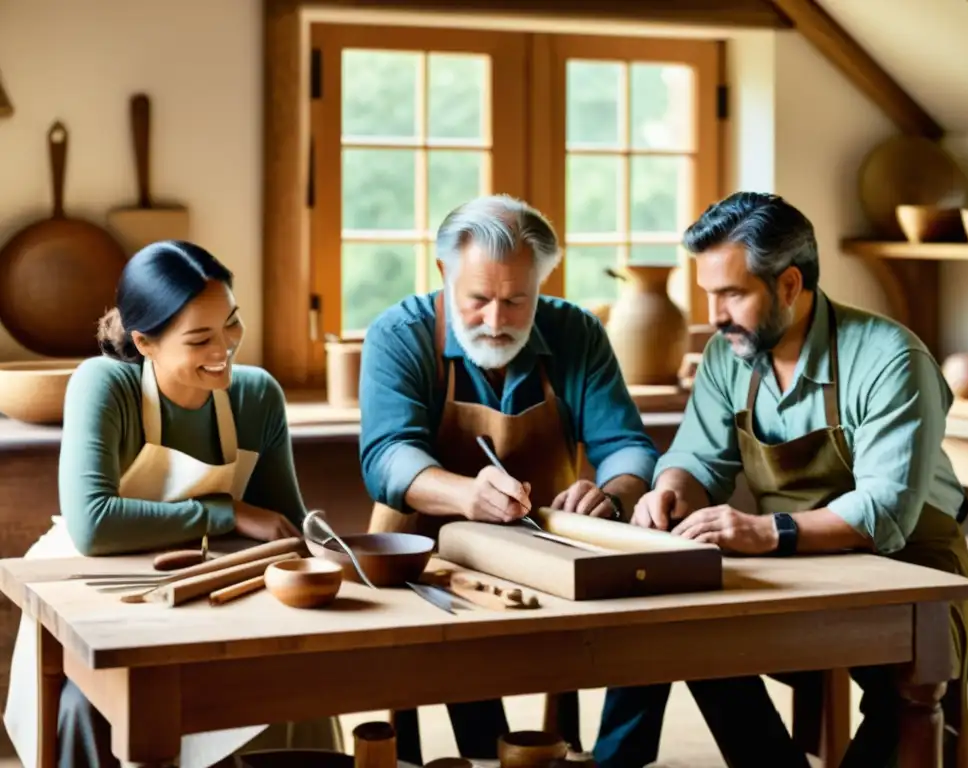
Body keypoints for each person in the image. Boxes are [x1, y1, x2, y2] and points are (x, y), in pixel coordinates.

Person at [591, 192, 968, 768]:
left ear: (790, 285)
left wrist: (765, 531)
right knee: (687, 635)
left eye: (732, 294)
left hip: (913, 564)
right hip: (795, 564)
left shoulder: (891, 358)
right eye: (708, 294)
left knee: (909, 695)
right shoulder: (728, 356)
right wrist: (668, 490)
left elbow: (885, 512)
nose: (715, 315)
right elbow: (699, 460)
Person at [3, 241, 344, 768]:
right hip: (97, 601)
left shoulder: (257, 397)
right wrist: (227, 512)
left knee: (300, 693)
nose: (225, 348)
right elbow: (94, 525)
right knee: (84, 709)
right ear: (144, 342)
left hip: (209, 597)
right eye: (200, 338)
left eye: (231, 323)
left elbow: (287, 532)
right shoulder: (104, 386)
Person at [359, 194, 658, 763]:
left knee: (650, 630)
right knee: (459, 655)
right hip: (424, 551)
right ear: (444, 271)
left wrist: (613, 496)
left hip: (543, 541)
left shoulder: (578, 334)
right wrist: (465, 495)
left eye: (517, 301)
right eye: (477, 300)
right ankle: (492, 754)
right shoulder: (400, 333)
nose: (496, 322)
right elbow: (386, 457)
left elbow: (626, 447)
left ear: (543, 282)